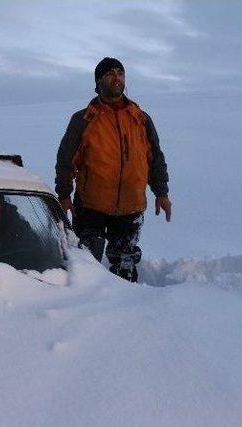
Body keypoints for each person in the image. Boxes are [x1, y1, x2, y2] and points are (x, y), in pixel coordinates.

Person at [55, 57, 171, 282]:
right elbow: (66, 159)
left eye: (120, 72)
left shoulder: (140, 118)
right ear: (98, 83)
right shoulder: (83, 119)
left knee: (125, 265)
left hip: (131, 206)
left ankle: (124, 309)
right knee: (87, 265)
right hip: (91, 207)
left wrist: (162, 192)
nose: (117, 77)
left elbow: (155, 157)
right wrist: (63, 194)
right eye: (110, 74)